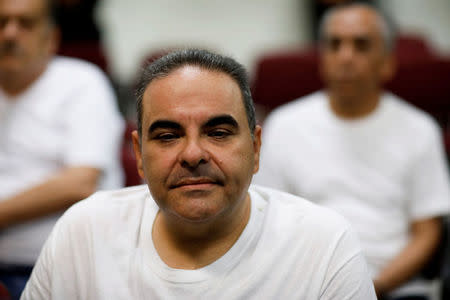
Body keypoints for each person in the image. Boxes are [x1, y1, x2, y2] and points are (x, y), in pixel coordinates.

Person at [22, 49, 376, 299]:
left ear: (255, 148)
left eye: (218, 133)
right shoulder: (83, 232)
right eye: (167, 136)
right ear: (139, 156)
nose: (192, 154)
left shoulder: (323, 244)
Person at [254, 3, 450, 300]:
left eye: (361, 45)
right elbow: (268, 222)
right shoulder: (283, 125)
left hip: (395, 288)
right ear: (322, 59)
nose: (345, 56)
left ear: (387, 62)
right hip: (307, 284)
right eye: (334, 44)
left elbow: (427, 232)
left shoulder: (420, 129)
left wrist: (373, 288)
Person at [0, 0, 124, 297]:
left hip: (56, 269)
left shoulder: (82, 83)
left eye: (25, 23)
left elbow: (80, 183)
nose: (10, 34)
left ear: (51, 37)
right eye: (1, 22)